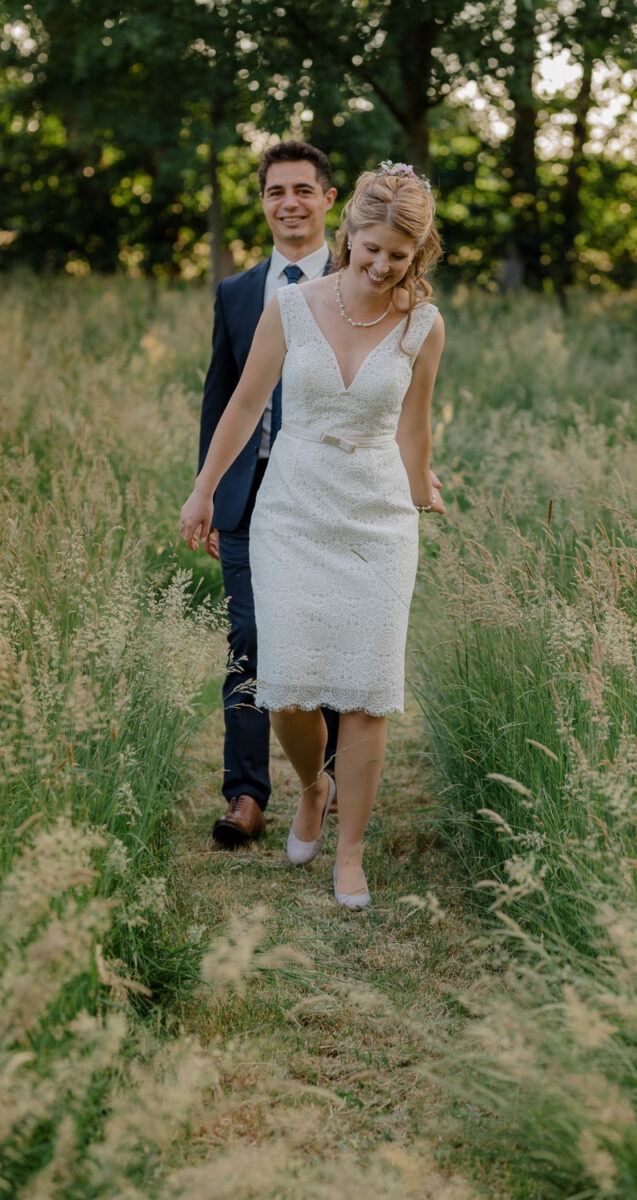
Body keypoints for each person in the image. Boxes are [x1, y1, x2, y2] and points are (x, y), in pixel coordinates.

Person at [181, 162, 445, 908]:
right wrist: (203, 490)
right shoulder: (292, 307)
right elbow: (241, 406)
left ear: (416, 251)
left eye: (400, 256)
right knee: (290, 687)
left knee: (365, 690)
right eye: (372, 250)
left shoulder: (424, 324)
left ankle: (351, 855)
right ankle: (311, 785)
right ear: (349, 233)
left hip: (377, 517)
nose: (383, 266)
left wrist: (422, 483)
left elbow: (413, 426)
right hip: (292, 509)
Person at [197, 141, 341, 848]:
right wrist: (212, 495)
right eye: (276, 191)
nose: (289, 203)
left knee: (330, 636)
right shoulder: (236, 293)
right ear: (264, 202)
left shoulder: (359, 281)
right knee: (249, 640)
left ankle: (332, 779)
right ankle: (246, 796)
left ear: (328, 201)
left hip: (330, 497)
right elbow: (221, 402)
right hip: (251, 498)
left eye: (303, 191)